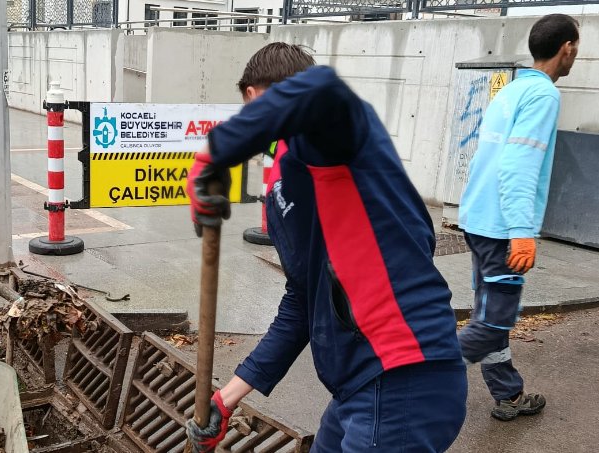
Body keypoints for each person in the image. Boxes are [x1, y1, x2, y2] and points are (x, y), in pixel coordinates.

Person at [185, 42, 466, 452]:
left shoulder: (337, 142)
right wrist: (226, 400)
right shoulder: (285, 177)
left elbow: (321, 87)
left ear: (251, 95)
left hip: (402, 377)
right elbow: (302, 298)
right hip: (356, 387)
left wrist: (217, 150)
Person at [457, 14, 579, 422]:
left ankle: (508, 394)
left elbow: (485, 158)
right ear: (568, 48)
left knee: (491, 317)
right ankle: (415, 376)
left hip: (479, 219)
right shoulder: (543, 95)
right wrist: (522, 233)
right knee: (493, 323)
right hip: (501, 229)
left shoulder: (511, 91)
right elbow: (518, 165)